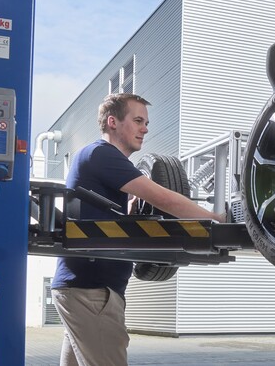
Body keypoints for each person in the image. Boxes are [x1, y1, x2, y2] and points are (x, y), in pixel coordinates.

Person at [51, 92, 225, 366]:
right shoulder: (101, 154)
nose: (145, 128)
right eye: (138, 120)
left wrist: (127, 214)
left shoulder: (97, 158)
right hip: (91, 293)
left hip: (81, 289)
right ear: (113, 122)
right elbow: (164, 198)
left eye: (146, 122)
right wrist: (217, 219)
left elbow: (103, 213)